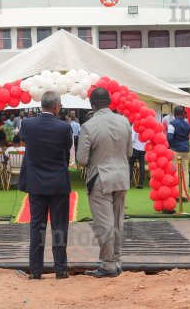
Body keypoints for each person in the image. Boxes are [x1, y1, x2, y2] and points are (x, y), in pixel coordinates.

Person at [77, 87, 133, 278]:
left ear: (92, 104)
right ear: (109, 102)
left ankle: (108, 264)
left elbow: (82, 159)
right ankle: (116, 260)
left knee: (105, 222)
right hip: (122, 176)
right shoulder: (124, 121)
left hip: (100, 177)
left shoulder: (89, 126)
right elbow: (129, 152)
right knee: (118, 221)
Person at [18, 91, 73, 280]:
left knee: (36, 226)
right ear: (57, 107)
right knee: (59, 226)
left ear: (41, 105)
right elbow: (66, 150)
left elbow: (25, 141)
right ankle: (60, 269)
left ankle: (35, 270)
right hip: (58, 182)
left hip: (36, 182)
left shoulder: (27, 124)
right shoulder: (64, 127)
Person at [167, 106, 190, 192]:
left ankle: (176, 193)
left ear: (174, 113)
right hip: (186, 149)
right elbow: (189, 136)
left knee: (175, 171)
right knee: (185, 172)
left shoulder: (172, 123)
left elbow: (169, 137)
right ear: (183, 114)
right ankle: (184, 193)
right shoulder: (187, 124)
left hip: (175, 150)